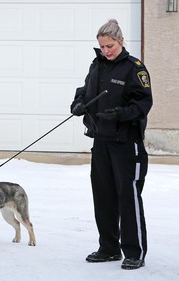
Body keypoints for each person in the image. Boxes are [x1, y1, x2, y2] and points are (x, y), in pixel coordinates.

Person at [70, 19, 153, 270]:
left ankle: (134, 252)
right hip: (101, 141)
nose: (106, 51)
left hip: (127, 144)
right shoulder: (96, 65)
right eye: (102, 46)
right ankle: (108, 248)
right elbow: (84, 90)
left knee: (128, 197)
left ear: (121, 41)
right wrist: (78, 104)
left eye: (110, 46)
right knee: (103, 196)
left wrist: (121, 113)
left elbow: (143, 103)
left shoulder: (134, 68)